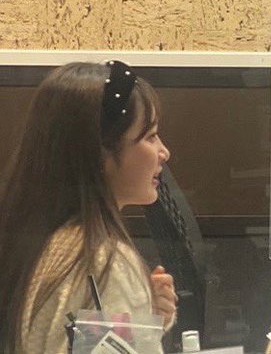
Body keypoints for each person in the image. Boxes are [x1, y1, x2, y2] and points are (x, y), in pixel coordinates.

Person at [0, 61, 178, 353]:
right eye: (150, 136)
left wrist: (142, 316)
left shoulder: (46, 244)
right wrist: (125, 295)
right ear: (101, 153)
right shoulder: (104, 262)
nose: (164, 152)